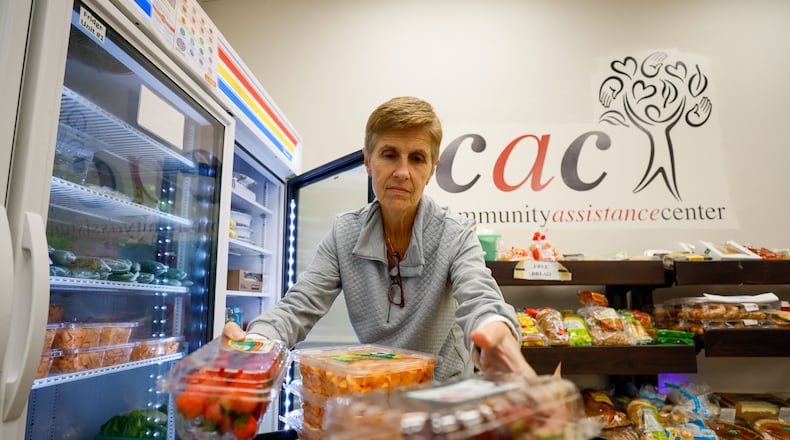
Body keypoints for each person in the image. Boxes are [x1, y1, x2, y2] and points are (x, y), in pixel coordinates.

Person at [223, 96, 536, 381]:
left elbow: (480, 298)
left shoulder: (455, 234)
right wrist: (256, 342)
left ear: (431, 169)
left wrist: (497, 335)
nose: (402, 171)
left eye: (417, 158)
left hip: (445, 395)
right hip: (377, 389)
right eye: (389, 155)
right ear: (367, 161)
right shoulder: (344, 234)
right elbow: (298, 307)